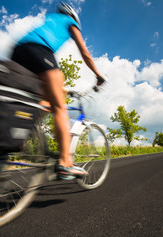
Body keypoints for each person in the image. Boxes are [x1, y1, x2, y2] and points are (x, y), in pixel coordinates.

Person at [11, 2, 105, 180]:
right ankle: (65, 163)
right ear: (73, 17)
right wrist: (98, 75)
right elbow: (84, 52)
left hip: (17, 53)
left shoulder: (50, 19)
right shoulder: (70, 22)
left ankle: (22, 134)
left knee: (43, 102)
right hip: (39, 50)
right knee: (59, 108)